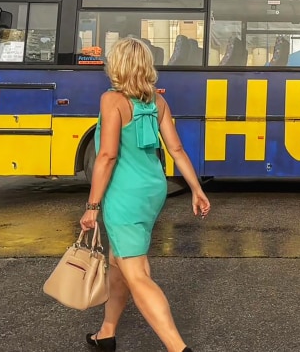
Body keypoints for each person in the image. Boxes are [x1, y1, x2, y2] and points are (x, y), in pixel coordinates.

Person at [80, 37, 210, 352]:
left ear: (118, 66)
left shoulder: (112, 100)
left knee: (136, 274)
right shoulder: (157, 102)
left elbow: (107, 156)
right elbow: (175, 149)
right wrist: (196, 188)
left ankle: (178, 348)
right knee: (119, 262)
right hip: (152, 189)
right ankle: (106, 334)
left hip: (124, 194)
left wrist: (92, 207)